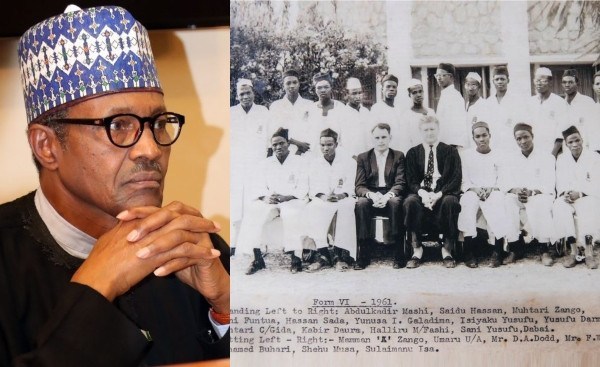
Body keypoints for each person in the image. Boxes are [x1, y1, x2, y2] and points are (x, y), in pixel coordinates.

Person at [2, 5, 230, 366]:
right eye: (118, 125)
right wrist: (96, 287)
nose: (152, 149)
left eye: (158, 123)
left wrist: (226, 309)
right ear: (47, 146)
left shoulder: (194, 248)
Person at [237, 128, 308, 275]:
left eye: (281, 143)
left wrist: (287, 197)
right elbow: (257, 186)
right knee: (253, 213)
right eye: (274, 145)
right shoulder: (265, 164)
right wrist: (265, 197)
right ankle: (257, 258)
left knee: (292, 215)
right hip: (271, 200)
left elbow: (303, 187)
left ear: (288, 143)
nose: (278, 147)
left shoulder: (299, 162)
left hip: (292, 199)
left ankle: (296, 258)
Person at [404, 115, 462, 269]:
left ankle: (447, 250)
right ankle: (417, 249)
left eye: (432, 129)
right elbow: (410, 180)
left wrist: (438, 194)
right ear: (420, 132)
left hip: (442, 193)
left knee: (451, 202)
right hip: (421, 193)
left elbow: (455, 179)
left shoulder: (450, 151)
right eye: (425, 130)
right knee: (410, 202)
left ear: (438, 130)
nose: (429, 133)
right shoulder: (412, 153)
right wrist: (422, 193)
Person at [501, 123, 557, 266]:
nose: (523, 141)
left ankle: (544, 248)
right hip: (518, 196)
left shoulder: (546, 157)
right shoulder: (510, 159)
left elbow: (549, 184)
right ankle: (514, 247)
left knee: (540, 202)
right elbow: (505, 182)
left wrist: (532, 192)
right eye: (519, 138)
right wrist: (516, 191)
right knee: (508, 201)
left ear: (533, 136)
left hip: (539, 195)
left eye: (526, 137)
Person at [304, 128, 358, 271]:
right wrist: (323, 196)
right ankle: (323, 255)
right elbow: (313, 187)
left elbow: (351, 185)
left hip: (343, 198)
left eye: (329, 145)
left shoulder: (348, 162)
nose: (325, 148)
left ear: (336, 144)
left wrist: (340, 195)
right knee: (314, 208)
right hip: (322, 199)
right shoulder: (314, 163)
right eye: (322, 145)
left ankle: (339, 256)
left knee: (346, 207)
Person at [458, 122, 510, 268]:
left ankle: (497, 250)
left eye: (484, 135)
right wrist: (474, 190)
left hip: (493, 191)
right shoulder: (466, 155)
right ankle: (468, 251)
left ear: (490, 136)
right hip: (473, 191)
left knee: (497, 202)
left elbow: (503, 179)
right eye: (478, 136)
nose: (482, 139)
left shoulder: (499, 155)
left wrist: (492, 188)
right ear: (473, 138)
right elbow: (464, 181)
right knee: (467, 202)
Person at [354, 123, 406, 270]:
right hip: (372, 195)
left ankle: (398, 253)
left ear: (390, 137)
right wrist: (371, 195)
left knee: (396, 203)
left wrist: (387, 196)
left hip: (391, 194)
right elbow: (359, 186)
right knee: (361, 203)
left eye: (384, 137)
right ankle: (363, 253)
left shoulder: (398, 156)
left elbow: (401, 182)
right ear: (372, 139)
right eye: (377, 137)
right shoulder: (363, 157)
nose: (380, 141)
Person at [553, 126, 600, 269]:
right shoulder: (561, 158)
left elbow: (597, 182)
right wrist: (565, 194)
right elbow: (560, 181)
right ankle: (573, 251)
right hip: (569, 196)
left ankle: (589, 252)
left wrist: (580, 193)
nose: (575, 145)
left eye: (577, 140)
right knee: (559, 206)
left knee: (589, 206)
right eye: (571, 142)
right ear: (566, 144)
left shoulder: (594, 157)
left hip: (589, 195)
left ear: (582, 140)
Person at [230, 78, 269, 249]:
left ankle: (256, 245)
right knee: (236, 203)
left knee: (254, 202)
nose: (245, 96)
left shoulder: (263, 112)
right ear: (237, 96)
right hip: (237, 166)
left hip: (257, 166)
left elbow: (269, 141)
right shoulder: (230, 113)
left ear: (254, 93)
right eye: (242, 94)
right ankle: (234, 243)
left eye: (248, 93)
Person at [268, 69, 313, 155]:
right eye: (288, 83)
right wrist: (296, 143)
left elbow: (312, 130)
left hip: (306, 151)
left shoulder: (309, 105)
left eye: (294, 82)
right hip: (283, 152)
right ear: (283, 86)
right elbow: (275, 132)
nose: (292, 86)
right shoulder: (276, 106)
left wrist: (302, 148)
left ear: (299, 84)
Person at [485, 66, 528, 153]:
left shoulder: (517, 100)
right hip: (493, 144)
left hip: (512, 144)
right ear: (493, 81)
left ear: (508, 80)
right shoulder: (488, 102)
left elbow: (522, 123)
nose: (500, 82)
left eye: (502, 79)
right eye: (497, 79)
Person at [527, 67, 567, 157]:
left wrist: (552, 155)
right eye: (537, 80)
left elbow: (561, 133)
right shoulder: (529, 102)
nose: (539, 83)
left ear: (550, 82)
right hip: (532, 151)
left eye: (543, 80)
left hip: (552, 151)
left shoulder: (560, 103)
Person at [305, 72, 348, 157]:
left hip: (337, 152)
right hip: (315, 153)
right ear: (315, 90)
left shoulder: (340, 107)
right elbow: (307, 133)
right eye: (319, 88)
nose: (323, 90)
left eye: (326, 87)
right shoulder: (310, 109)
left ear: (331, 88)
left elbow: (345, 134)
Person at [561, 69, 599, 154]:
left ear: (577, 83)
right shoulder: (560, 104)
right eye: (564, 82)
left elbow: (594, 130)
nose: (567, 85)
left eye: (570, 82)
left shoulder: (587, 102)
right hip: (567, 152)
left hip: (586, 150)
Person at [434, 63, 470, 149]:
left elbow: (459, 124)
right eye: (437, 75)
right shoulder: (444, 95)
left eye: (442, 75)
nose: (439, 78)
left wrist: (455, 146)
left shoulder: (455, 96)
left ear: (451, 77)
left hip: (452, 145)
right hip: (442, 144)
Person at [370, 73, 409, 149]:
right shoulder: (377, 108)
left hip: (400, 151)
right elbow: (373, 134)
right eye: (388, 86)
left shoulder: (400, 109)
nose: (391, 89)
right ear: (382, 89)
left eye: (394, 87)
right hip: (384, 151)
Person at [400, 79, 436, 154]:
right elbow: (405, 141)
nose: (418, 95)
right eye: (414, 93)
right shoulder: (406, 115)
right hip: (415, 155)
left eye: (420, 91)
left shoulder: (431, 112)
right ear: (409, 95)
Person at [342, 77, 371, 158]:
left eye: (360, 92)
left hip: (368, 158)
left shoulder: (366, 112)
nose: (358, 96)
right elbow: (339, 142)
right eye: (354, 93)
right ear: (347, 94)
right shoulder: (342, 114)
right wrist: (352, 156)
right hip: (350, 159)